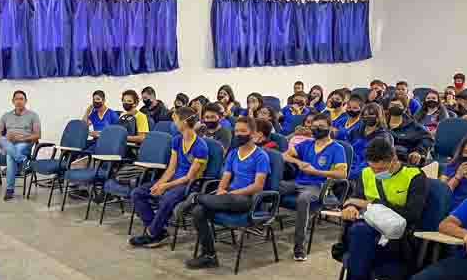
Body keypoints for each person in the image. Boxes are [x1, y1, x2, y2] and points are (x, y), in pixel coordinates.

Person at [329, 138, 427, 280]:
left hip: (397, 240)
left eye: (381, 169)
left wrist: (371, 204)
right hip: (367, 236)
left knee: (358, 252)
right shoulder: (366, 174)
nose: (375, 173)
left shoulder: (415, 176)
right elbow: (354, 199)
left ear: (393, 159)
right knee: (360, 233)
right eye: (373, 168)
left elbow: (412, 214)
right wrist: (350, 207)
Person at [184, 117, 270, 269]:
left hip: (248, 199)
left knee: (229, 199)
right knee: (198, 212)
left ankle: (196, 198)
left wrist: (232, 193)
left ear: (252, 133)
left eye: (243, 131)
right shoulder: (233, 153)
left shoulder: (261, 156)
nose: (238, 134)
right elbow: (226, 177)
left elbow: (258, 186)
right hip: (229, 196)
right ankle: (209, 256)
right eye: (236, 131)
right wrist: (221, 190)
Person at [129, 107, 208, 248]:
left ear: (184, 122)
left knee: (167, 198)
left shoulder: (200, 146)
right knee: (137, 193)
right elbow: (171, 169)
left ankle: (151, 234)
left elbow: (189, 177)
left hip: (189, 185)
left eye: (175, 120)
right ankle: (159, 231)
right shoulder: (176, 140)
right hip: (174, 180)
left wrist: (165, 186)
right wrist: (159, 184)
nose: (173, 123)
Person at [281, 114, 349, 260]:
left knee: (303, 199)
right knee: (275, 187)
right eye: (314, 126)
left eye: (321, 126)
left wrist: (316, 172)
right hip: (298, 182)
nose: (317, 129)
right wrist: (299, 162)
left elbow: (342, 174)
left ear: (329, 128)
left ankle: (299, 248)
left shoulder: (337, 148)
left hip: (319, 185)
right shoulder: (307, 144)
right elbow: (284, 156)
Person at [0, 90, 42, 200]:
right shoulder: (6, 116)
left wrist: (21, 138)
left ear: (26, 101)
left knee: (11, 154)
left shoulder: (33, 116)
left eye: (21, 99)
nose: (19, 101)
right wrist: (6, 138)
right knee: (1, 139)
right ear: (12, 101)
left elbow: (37, 135)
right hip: (8, 143)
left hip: (24, 144)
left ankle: (9, 189)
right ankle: (23, 160)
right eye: (16, 99)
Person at [347, 103, 392, 178]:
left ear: (378, 117)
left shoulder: (384, 136)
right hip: (350, 163)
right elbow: (346, 150)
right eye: (365, 115)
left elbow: (378, 160)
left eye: (371, 114)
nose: (367, 117)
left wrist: (352, 172)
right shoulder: (354, 132)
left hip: (369, 168)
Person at [386, 95, 432, 167]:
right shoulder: (381, 124)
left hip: (405, 160)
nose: (394, 107)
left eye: (398, 105)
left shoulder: (413, 126)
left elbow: (427, 138)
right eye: (392, 105)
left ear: (404, 109)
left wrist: (418, 151)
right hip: (382, 159)